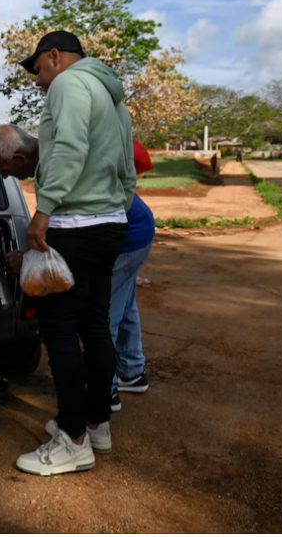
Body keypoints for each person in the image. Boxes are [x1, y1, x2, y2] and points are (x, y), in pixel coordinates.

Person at [0, 30, 135, 477]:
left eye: (39, 71)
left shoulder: (69, 84)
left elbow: (68, 148)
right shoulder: (112, 96)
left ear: (54, 56)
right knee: (96, 327)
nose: (39, 82)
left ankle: (71, 439)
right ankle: (96, 423)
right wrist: (116, 209)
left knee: (61, 333)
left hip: (73, 225)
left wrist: (44, 211)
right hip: (109, 225)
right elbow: (127, 164)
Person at [108, 139, 156, 413]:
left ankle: (106, 391)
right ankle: (131, 372)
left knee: (103, 315)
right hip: (138, 228)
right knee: (124, 305)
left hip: (129, 237)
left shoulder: (65, 156)